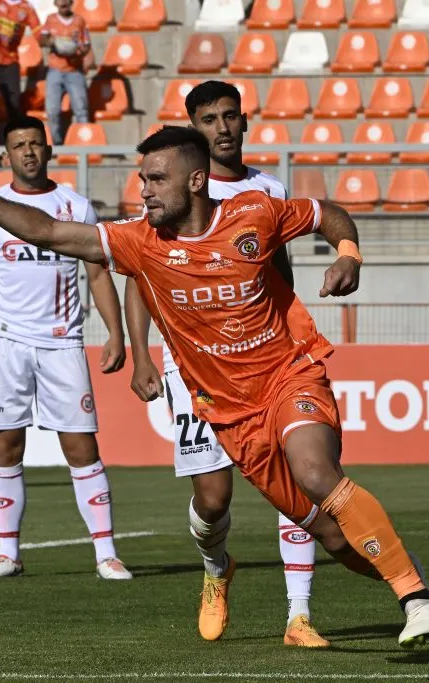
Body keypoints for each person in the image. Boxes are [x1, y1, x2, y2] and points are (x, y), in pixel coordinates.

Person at [0, 126, 429, 649]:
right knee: (334, 537)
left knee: (317, 472)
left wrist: (348, 253)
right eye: (143, 179)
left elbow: (326, 213)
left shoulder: (255, 213)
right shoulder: (140, 240)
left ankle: (414, 600)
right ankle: (412, 587)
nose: (145, 190)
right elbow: (48, 232)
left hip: (288, 375)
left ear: (197, 181)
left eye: (158, 179)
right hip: (230, 414)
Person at [121, 81, 324, 648]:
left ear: (244, 121)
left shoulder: (268, 189)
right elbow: (140, 274)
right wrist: (140, 354)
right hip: (194, 368)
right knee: (212, 500)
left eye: (230, 116)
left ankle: (299, 615)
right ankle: (216, 568)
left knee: (297, 481)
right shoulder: (167, 192)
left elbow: (278, 270)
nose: (223, 128)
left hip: (266, 362)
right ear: (193, 129)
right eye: (209, 119)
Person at [0, 116, 133, 581]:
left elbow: (97, 273)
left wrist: (116, 332)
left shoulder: (74, 206)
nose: (28, 151)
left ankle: (106, 555)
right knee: (6, 445)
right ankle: (7, 554)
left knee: (81, 446)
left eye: (35, 143)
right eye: (19, 145)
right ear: (6, 155)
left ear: (48, 150)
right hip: (6, 343)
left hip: (62, 343)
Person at [38, 0, 90, 146]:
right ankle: (57, 145)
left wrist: (77, 50)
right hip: (55, 70)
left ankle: (84, 145)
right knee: (52, 110)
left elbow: (86, 45)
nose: (63, 3)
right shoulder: (50, 19)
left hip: (74, 70)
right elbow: (42, 39)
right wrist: (53, 42)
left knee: (81, 109)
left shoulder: (79, 21)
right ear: (56, 3)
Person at [0, 0, 38, 122]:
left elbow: (38, 30)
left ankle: (14, 132)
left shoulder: (27, 8)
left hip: (10, 62)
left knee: (14, 105)